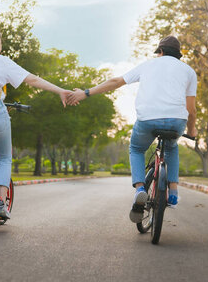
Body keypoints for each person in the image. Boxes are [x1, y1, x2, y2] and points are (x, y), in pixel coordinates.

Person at [67, 36, 197, 223]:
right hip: (176, 121)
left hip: (147, 119)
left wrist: (85, 93)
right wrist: (191, 131)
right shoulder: (189, 71)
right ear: (178, 55)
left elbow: (115, 81)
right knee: (171, 148)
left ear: (160, 52)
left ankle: (140, 189)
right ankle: (174, 192)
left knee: (136, 149)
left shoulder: (148, 65)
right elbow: (191, 109)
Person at [0, 28, 71, 219]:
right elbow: (33, 80)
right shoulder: (0, 61)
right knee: (4, 158)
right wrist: (60, 90)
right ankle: (1, 204)